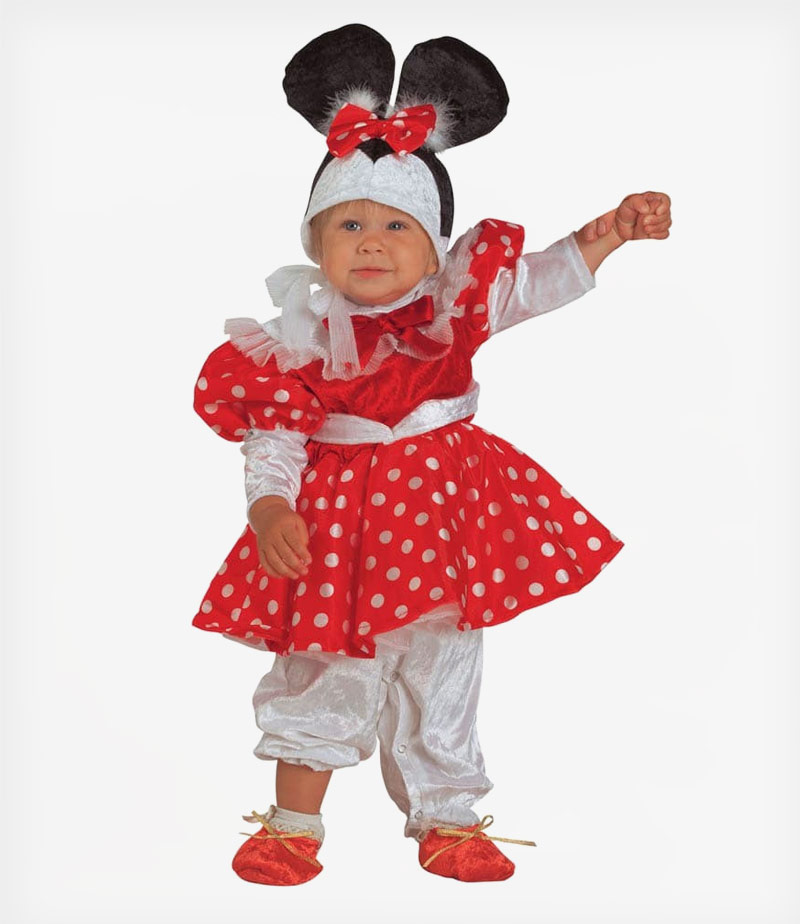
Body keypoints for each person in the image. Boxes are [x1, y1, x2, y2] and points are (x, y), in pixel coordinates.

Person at [191, 24, 672, 886]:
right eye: (348, 224)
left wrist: (608, 233)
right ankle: (293, 823)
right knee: (325, 669)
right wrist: (270, 505)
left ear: (435, 246)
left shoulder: (455, 306)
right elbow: (275, 436)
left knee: (444, 671)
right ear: (315, 243)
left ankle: (446, 819)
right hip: (338, 535)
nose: (371, 241)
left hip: (449, 524)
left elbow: (538, 281)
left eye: (395, 226)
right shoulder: (293, 340)